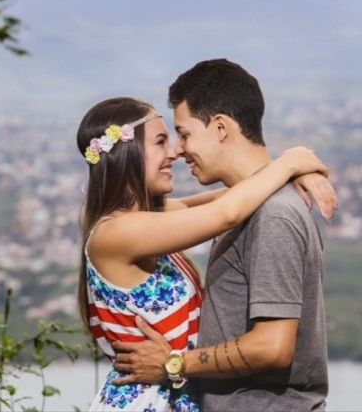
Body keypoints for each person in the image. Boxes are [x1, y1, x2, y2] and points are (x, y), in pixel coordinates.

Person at [110, 59, 334, 411]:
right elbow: (143, 216)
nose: (179, 150)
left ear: (219, 127)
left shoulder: (273, 215)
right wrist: (288, 166)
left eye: (184, 134)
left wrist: (173, 364)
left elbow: (273, 346)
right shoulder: (250, 206)